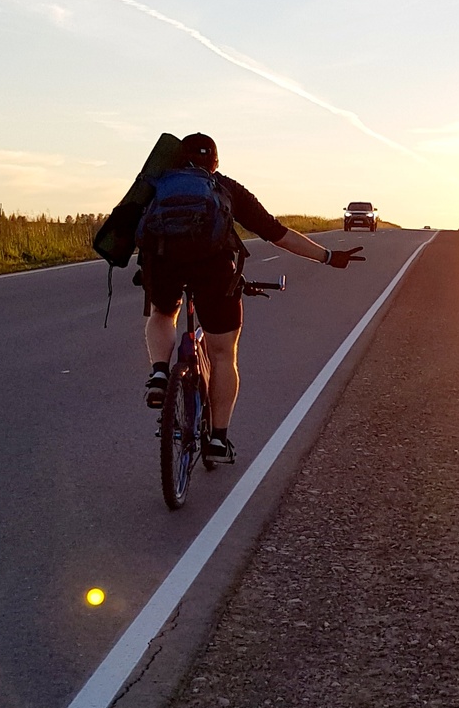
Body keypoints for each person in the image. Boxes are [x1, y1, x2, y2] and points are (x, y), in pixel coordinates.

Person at [138, 132, 364, 462]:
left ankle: (160, 373)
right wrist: (328, 257)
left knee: (162, 313)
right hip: (214, 271)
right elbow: (278, 234)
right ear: (214, 162)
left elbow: (128, 223)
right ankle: (217, 440)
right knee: (222, 353)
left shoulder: (157, 183)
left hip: (162, 263)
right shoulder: (226, 188)